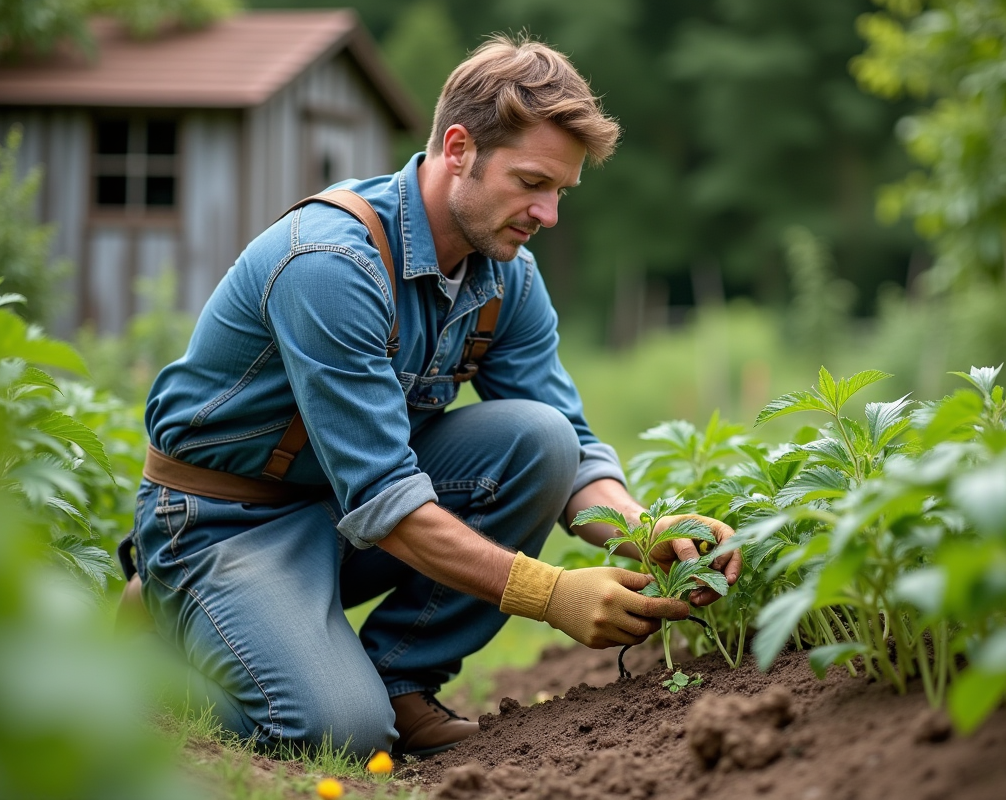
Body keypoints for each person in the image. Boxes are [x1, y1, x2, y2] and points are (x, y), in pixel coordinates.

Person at [120, 33, 742, 759]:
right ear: (458, 149)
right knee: (334, 734)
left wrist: (647, 530)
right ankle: (141, 658)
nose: (549, 215)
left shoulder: (506, 276)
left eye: (561, 193)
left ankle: (400, 681)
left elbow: (570, 450)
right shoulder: (331, 263)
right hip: (225, 522)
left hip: (338, 511)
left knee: (539, 439)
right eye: (532, 183)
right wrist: (551, 595)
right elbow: (387, 499)